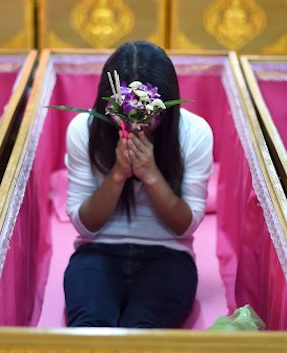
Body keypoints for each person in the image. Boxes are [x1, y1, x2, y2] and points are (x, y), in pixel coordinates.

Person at [63, 41, 214, 328]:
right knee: (90, 327)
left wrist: (152, 175)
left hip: (169, 256)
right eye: (124, 112)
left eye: (147, 113)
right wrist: (118, 174)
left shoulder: (195, 133)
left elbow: (186, 225)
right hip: (98, 251)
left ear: (165, 106)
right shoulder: (83, 130)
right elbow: (84, 225)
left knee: (143, 331)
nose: (135, 125)